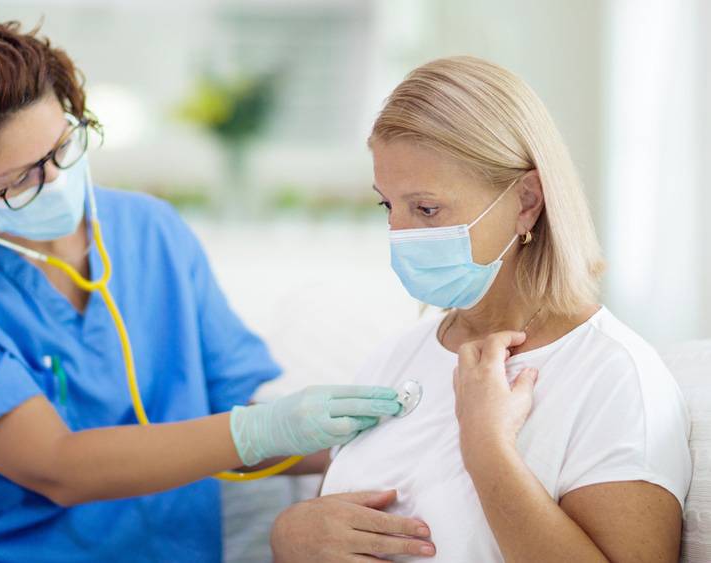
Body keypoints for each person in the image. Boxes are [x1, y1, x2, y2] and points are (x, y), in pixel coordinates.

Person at [0, 15, 402, 562]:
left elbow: (234, 413)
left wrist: (364, 432)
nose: (57, 179)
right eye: (20, 179)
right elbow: (58, 467)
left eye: (64, 145)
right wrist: (263, 429)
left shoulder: (151, 230)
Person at [270, 56, 692, 562]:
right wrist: (290, 538)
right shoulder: (396, 358)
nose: (399, 234)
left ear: (527, 201)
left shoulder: (614, 377)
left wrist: (486, 448)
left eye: (427, 209)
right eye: (388, 206)